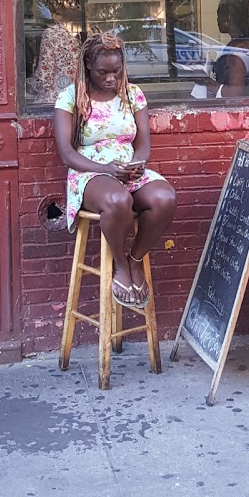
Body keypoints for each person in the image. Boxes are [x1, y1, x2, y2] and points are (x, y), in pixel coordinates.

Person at [53, 32, 177, 309]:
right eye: (103, 72)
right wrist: (105, 169)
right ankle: (119, 265)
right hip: (90, 173)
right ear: (87, 66)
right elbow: (67, 154)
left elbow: (143, 145)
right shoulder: (71, 97)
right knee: (118, 200)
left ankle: (135, 261)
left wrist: (138, 165)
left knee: (164, 198)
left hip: (127, 171)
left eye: (116, 71)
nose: (111, 78)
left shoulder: (132, 95)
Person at [214, 0, 249, 99]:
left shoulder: (239, 51)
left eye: (219, 15)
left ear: (228, 17)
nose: (217, 19)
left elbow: (234, 94)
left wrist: (207, 83)